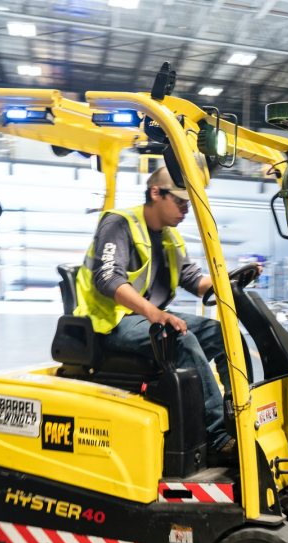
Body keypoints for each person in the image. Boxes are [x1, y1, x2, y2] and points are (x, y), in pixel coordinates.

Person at [74, 166, 245, 461]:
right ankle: (218, 440)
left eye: (188, 204)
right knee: (182, 338)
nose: (185, 210)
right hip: (112, 324)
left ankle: (240, 418)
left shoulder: (170, 237)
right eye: (180, 202)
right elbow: (108, 278)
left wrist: (229, 281)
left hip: (146, 319)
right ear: (156, 193)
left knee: (223, 334)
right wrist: (154, 313)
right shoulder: (119, 224)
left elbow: (194, 281)